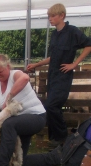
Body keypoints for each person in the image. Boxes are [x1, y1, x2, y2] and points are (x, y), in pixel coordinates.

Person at [26, 3, 91, 149]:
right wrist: (36, 65)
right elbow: (52, 57)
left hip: (64, 76)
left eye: (53, 16)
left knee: (52, 105)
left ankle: (62, 138)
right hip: (52, 75)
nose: (50, 18)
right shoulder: (55, 34)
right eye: (49, 16)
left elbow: (89, 45)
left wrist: (74, 64)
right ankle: (55, 140)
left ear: (62, 15)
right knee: (51, 108)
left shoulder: (73, 32)